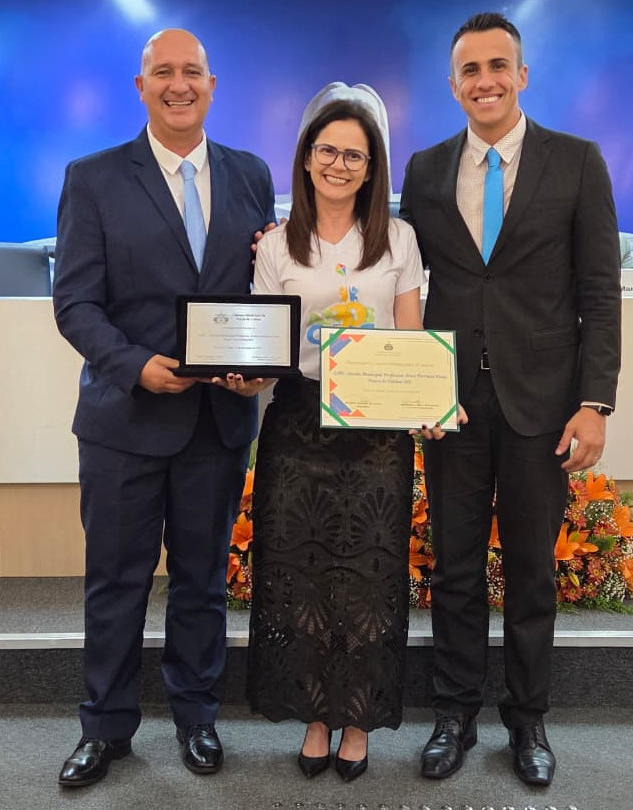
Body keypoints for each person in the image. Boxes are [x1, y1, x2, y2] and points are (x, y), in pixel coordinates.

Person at [400, 12, 621, 787]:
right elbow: (395, 272)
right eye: (471, 69)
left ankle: (527, 721)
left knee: (530, 573)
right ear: (453, 84)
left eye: (499, 65)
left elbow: (599, 292)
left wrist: (595, 402)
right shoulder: (426, 169)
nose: (485, 80)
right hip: (452, 403)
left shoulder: (577, 161)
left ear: (522, 75)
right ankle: (454, 714)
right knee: (455, 569)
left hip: (544, 405)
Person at [52, 29, 275, 787]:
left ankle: (196, 717)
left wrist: (255, 368)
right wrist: (134, 366)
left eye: (192, 72)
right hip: (123, 421)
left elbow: (259, 294)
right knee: (116, 582)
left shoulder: (251, 174)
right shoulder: (93, 177)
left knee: (202, 581)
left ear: (212, 85)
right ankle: (104, 728)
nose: (179, 85)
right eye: (163, 73)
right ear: (141, 86)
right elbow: (75, 303)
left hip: (217, 422)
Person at [231, 98, 460, 783]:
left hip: (377, 429)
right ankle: (316, 714)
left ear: (371, 167)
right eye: (327, 150)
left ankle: (356, 717)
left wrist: (427, 401)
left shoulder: (399, 239)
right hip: (298, 424)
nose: (339, 164)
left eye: (353, 154)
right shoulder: (276, 245)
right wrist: (244, 377)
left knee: (369, 577)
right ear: (307, 159)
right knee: (300, 574)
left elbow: (412, 337)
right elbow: (267, 347)